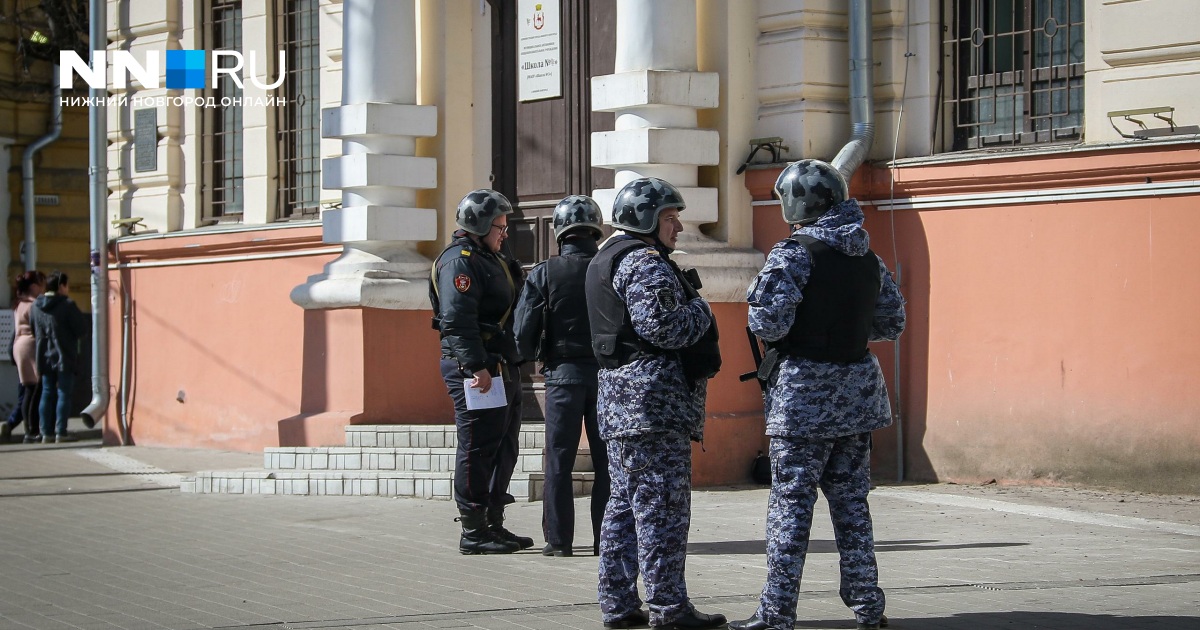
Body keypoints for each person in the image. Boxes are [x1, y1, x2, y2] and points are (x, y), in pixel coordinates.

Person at [729, 159, 906, 630]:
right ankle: (869, 606)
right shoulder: (869, 257)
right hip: (858, 397)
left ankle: (777, 612)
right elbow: (892, 323)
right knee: (852, 506)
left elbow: (766, 323)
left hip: (803, 402)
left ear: (796, 203)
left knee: (790, 509)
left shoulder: (793, 254)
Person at [585, 177, 724, 630]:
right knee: (662, 510)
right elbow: (661, 327)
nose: (679, 226)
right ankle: (669, 608)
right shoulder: (645, 263)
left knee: (623, 510)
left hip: (623, 405)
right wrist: (703, 309)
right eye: (670, 217)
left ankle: (618, 604)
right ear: (645, 219)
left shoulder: (606, 257)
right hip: (652, 407)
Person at [430, 189, 533, 555]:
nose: (505, 233)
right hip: (478, 368)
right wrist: (476, 366)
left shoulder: (492, 258)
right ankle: (473, 530)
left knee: (503, 445)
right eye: (499, 226)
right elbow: (456, 320)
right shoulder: (460, 262)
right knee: (478, 447)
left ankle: (494, 523)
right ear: (479, 225)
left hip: (501, 364)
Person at [513, 195, 611, 558]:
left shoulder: (544, 272)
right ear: (595, 229)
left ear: (559, 232)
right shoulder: (610, 268)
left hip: (562, 377)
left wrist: (525, 355)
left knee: (558, 460)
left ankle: (558, 541)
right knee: (607, 461)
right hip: (607, 377)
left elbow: (524, 329)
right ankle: (608, 540)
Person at [31, 270, 87, 444]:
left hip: (43, 355)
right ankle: (60, 432)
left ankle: (45, 432)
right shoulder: (67, 305)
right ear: (61, 286)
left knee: (46, 392)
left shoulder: (35, 306)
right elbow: (81, 329)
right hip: (65, 355)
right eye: (67, 285)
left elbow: (34, 329)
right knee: (64, 393)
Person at [1, 271, 45, 443]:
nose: (42, 288)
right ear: (34, 286)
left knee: (28, 390)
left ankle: (29, 431)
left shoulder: (19, 304)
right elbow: (38, 328)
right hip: (31, 346)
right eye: (41, 284)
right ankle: (33, 430)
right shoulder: (35, 304)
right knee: (36, 390)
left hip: (19, 346)